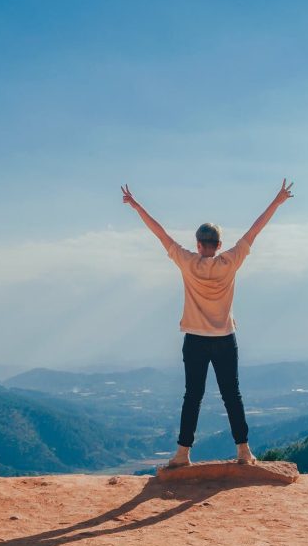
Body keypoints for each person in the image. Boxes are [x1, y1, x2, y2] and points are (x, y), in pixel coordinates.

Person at [121, 179, 295, 467]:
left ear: (198, 245)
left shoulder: (188, 262)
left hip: (195, 339)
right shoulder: (231, 261)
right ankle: (244, 451)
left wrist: (136, 205)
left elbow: (160, 234)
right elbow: (255, 230)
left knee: (193, 397)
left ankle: (182, 454)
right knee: (232, 395)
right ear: (219, 245)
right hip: (225, 337)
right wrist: (277, 201)